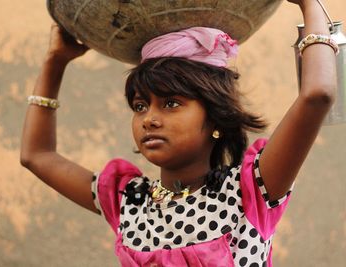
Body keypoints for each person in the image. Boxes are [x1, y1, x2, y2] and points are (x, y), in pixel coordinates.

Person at [20, 0, 337, 266]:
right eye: (141, 106)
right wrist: (55, 61)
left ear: (215, 117)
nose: (149, 119)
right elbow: (36, 156)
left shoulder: (250, 191)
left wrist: (312, 5)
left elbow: (317, 95)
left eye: (171, 103)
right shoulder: (128, 201)